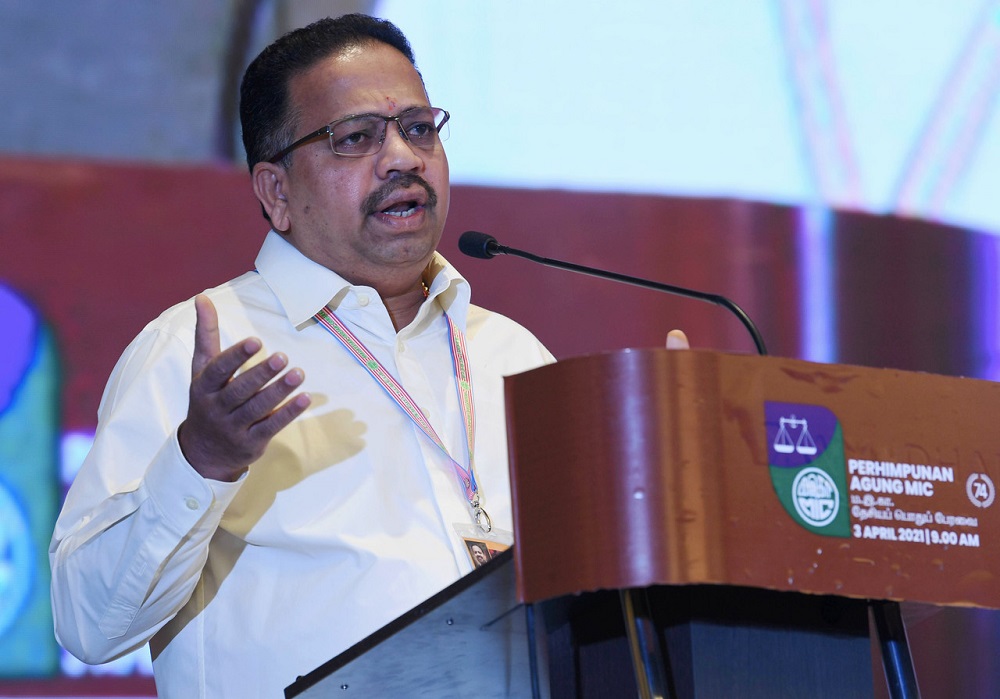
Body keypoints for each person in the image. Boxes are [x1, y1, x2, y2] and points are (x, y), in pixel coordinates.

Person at [49, 14, 554, 698]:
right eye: (356, 138)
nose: (403, 157)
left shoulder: (512, 355)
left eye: (419, 127)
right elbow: (87, 622)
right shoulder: (200, 348)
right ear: (277, 193)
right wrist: (201, 458)